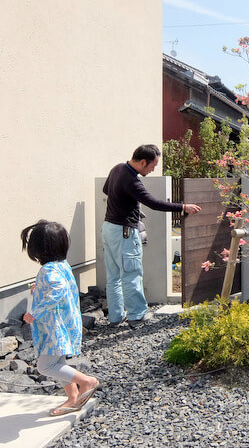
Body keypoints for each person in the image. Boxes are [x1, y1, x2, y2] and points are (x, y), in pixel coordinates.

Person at [102, 144, 201, 328]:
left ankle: (115, 317)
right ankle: (137, 316)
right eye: (153, 166)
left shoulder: (117, 169)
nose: (154, 169)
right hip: (124, 232)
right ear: (142, 162)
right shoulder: (131, 180)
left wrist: (123, 203)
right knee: (131, 274)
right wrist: (182, 207)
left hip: (108, 228)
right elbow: (154, 203)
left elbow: (106, 190)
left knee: (113, 276)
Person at [21, 220, 100, 417]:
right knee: (58, 362)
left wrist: (35, 312)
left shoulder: (48, 270)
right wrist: (38, 288)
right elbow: (58, 286)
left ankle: (86, 382)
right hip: (64, 323)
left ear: (38, 249)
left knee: (45, 365)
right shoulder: (61, 265)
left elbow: (57, 289)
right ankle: (73, 397)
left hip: (54, 326)